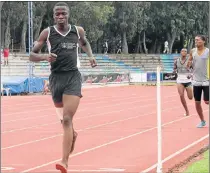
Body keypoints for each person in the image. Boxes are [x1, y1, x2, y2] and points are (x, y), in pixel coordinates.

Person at [29, 2, 97, 173]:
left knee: (67, 119)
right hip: (56, 80)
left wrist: (90, 56)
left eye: (63, 13)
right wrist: (45, 56)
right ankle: (72, 135)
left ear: (68, 14)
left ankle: (64, 162)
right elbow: (31, 55)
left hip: (73, 77)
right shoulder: (48, 32)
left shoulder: (77, 30)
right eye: (57, 14)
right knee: (64, 122)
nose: (60, 16)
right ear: (53, 16)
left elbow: (85, 43)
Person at [187, 35, 209, 128]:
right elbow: (189, 62)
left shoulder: (208, 51)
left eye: (198, 40)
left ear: (203, 41)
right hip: (196, 80)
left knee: (207, 101)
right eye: (195, 40)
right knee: (197, 102)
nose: (196, 41)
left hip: (207, 79)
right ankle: (202, 121)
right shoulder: (193, 51)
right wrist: (189, 65)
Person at [173, 48, 193, 116]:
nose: (184, 52)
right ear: (180, 52)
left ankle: (190, 92)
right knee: (181, 95)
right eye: (182, 51)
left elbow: (194, 69)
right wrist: (175, 71)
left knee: (190, 97)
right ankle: (187, 111)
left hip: (188, 80)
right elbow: (174, 68)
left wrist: (191, 75)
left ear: (187, 53)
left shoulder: (189, 61)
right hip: (180, 80)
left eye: (185, 51)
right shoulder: (176, 60)